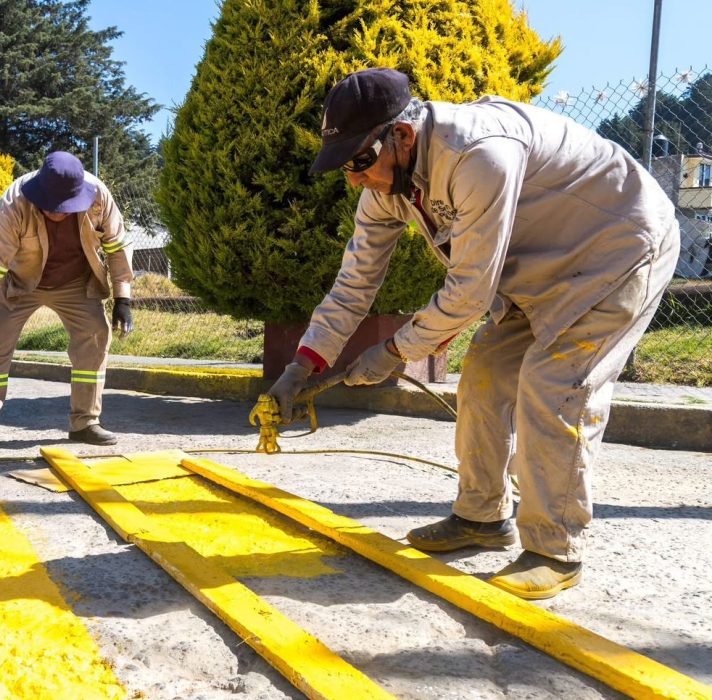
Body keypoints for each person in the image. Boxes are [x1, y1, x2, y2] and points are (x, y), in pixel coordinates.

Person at [268, 68, 680, 599]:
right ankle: (481, 519)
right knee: (483, 375)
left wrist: (393, 351)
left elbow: (468, 293)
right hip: (537, 271)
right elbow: (354, 283)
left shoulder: (479, 152)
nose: (354, 178)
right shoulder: (384, 185)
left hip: (617, 250)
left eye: (360, 161)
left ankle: (555, 549)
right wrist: (302, 366)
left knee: (555, 384)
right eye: (345, 166)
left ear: (403, 136)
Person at [0, 151, 134, 455]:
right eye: (52, 207)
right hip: (19, 283)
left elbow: (118, 245)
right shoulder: (13, 204)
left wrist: (123, 296)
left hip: (75, 283)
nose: (59, 213)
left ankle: (84, 422)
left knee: (95, 336)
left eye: (67, 207)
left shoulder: (98, 196)